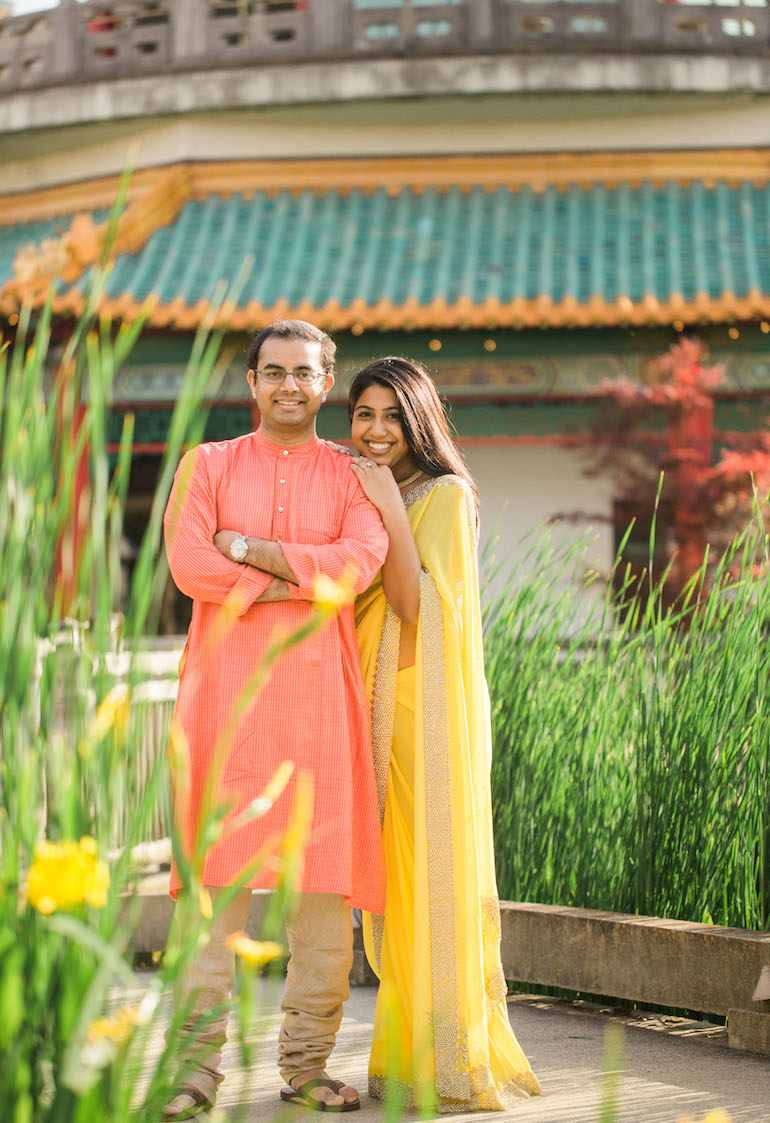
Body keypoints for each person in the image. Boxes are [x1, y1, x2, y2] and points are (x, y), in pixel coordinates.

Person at [161, 320, 389, 1119]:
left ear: (328, 383)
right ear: (252, 381)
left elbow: (360, 564)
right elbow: (190, 562)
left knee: (322, 895)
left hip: (320, 705)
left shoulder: (353, 473)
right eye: (275, 371)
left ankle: (305, 1063)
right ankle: (192, 1068)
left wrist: (251, 551)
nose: (290, 384)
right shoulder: (209, 464)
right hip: (227, 702)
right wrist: (301, 575)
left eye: (306, 371)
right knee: (212, 893)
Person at [348, 357, 541, 1112]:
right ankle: (402, 1053)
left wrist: (381, 508)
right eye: (364, 413)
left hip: (420, 712)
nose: (376, 430)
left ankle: (446, 1061)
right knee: (394, 883)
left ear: (420, 420)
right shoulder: (372, 491)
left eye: (393, 415)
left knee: (429, 876)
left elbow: (421, 603)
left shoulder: (444, 494)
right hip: (369, 708)